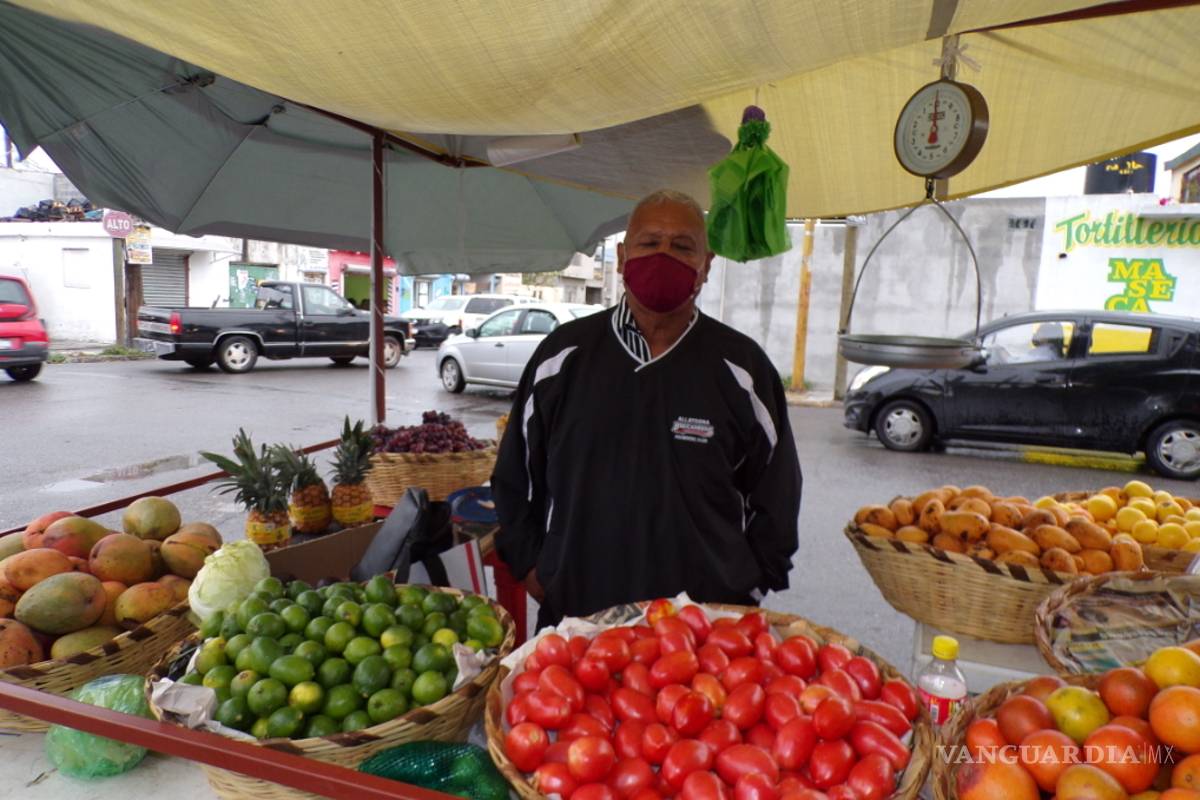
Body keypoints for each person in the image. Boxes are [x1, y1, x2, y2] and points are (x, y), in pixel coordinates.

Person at [491, 189, 803, 629]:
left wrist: (747, 584)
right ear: (621, 257)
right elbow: (514, 476)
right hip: (579, 617)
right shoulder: (562, 357)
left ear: (706, 266)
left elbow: (777, 494)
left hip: (703, 628)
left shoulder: (742, 368)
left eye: (682, 246)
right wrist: (535, 569)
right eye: (649, 242)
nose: (664, 255)